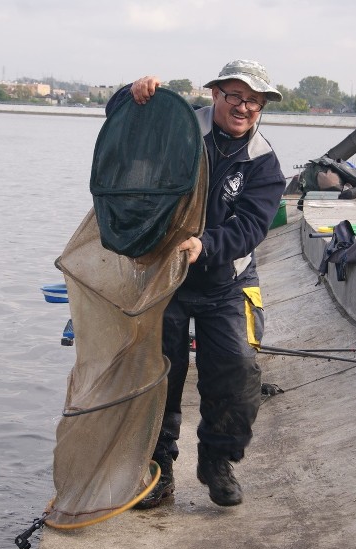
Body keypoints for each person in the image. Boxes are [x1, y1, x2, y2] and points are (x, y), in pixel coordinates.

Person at [107, 60, 286, 509]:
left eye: (253, 101)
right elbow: (121, 126)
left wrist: (204, 245)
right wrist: (133, 95)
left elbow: (249, 228)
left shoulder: (264, 163)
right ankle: (159, 470)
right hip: (165, 274)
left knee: (239, 372)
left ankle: (216, 460)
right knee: (159, 377)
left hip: (225, 278)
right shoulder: (179, 125)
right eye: (235, 96)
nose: (243, 108)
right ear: (215, 95)